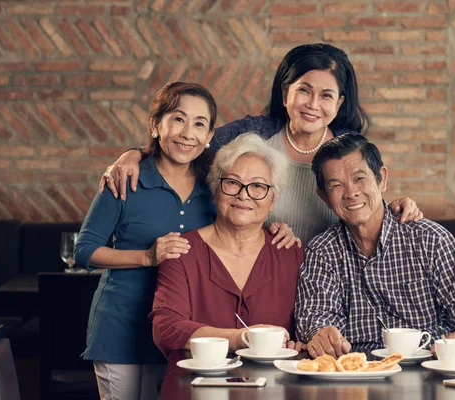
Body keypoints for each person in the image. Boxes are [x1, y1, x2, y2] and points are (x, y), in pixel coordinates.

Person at [74, 82, 297, 400]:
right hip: (122, 324)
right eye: (178, 119)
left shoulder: (212, 185)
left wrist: (277, 228)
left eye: (199, 124)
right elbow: (83, 251)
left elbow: (242, 210)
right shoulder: (126, 178)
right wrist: (146, 257)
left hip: (183, 329)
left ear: (209, 137)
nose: (187, 133)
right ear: (155, 124)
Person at [99, 43, 422, 244]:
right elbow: (189, 145)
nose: (313, 104)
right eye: (304, 90)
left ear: (339, 104)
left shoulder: (348, 148)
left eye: (326, 96)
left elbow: (362, 204)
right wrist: (134, 154)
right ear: (285, 94)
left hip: (330, 289)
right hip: (262, 279)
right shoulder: (250, 135)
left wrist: (396, 204)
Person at [295, 134, 455, 359]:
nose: (351, 193)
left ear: (381, 179)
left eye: (360, 178)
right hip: (356, 377)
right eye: (336, 185)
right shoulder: (321, 252)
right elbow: (316, 318)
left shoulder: (429, 239)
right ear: (324, 197)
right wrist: (321, 334)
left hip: (428, 372)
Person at [150, 133, 305, 357]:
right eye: (232, 182)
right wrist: (240, 338)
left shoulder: (291, 253)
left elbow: (309, 327)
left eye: (258, 186)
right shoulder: (182, 251)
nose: (243, 195)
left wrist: (301, 343)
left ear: (273, 201)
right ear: (215, 191)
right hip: (200, 386)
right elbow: (165, 328)